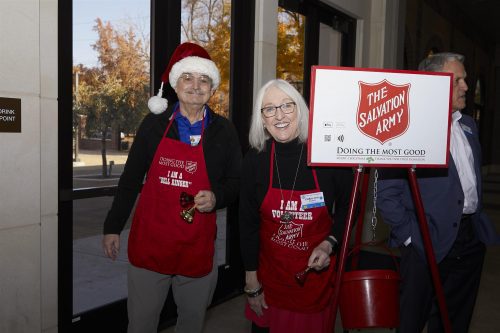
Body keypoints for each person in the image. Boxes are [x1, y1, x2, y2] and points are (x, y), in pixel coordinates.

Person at [102, 42, 241, 333]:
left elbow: (236, 183)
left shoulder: (223, 130)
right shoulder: (154, 124)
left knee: (191, 325)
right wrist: (112, 226)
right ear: (175, 86)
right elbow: (130, 180)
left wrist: (217, 197)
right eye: (187, 78)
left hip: (197, 246)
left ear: (212, 89)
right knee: (141, 325)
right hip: (150, 246)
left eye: (203, 79)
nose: (195, 85)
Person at [376, 52, 500, 333]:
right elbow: (386, 194)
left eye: (465, 80)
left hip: (469, 240)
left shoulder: (468, 125)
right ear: (433, 83)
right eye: (458, 80)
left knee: (454, 320)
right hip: (425, 240)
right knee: (411, 320)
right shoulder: (404, 126)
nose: (466, 87)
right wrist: (411, 237)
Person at [239, 79, 353, 333]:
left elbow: (349, 206)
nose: (279, 115)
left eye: (287, 106)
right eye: (269, 109)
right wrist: (251, 282)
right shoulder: (255, 160)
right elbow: (247, 224)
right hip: (270, 282)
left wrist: (330, 243)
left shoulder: (327, 155)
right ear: (262, 118)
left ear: (300, 109)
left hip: (315, 283)